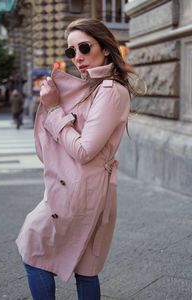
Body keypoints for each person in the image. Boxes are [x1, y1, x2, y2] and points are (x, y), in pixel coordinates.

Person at [16, 18, 134, 300]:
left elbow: (84, 150)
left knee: (34, 249)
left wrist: (55, 109)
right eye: (71, 52)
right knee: (86, 268)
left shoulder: (109, 90)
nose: (77, 57)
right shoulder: (94, 87)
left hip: (81, 190)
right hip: (86, 188)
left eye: (84, 47)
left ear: (106, 48)